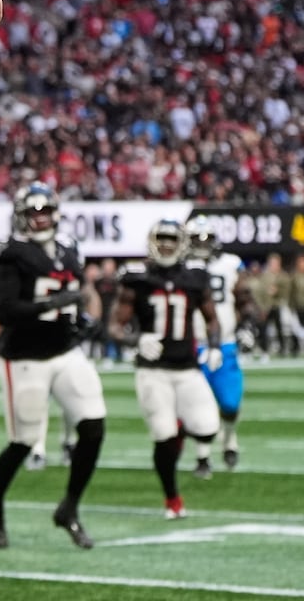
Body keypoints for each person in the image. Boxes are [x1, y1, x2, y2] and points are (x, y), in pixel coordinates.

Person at [0, 183, 105, 550]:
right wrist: (51, 306)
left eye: (45, 212)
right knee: (22, 442)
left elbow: (74, 295)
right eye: (33, 213)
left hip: (65, 351)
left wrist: (79, 318)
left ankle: (69, 507)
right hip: (24, 358)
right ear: (21, 216)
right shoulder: (12, 254)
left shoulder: (68, 248)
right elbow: (4, 311)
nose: (40, 219)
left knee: (94, 426)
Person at [112, 219, 221, 520]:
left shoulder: (196, 278)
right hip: (153, 370)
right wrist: (137, 339)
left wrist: (213, 346)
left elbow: (212, 318)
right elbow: (114, 326)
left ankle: (181, 429)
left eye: (172, 239)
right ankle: (172, 498)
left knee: (209, 429)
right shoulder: (138, 279)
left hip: (187, 369)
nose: (167, 245)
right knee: (163, 435)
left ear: (183, 243)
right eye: (161, 239)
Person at [185, 216, 245, 474]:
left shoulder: (230, 264)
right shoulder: (181, 267)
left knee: (230, 404)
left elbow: (244, 299)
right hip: (194, 345)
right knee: (199, 404)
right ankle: (202, 456)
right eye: (196, 239)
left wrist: (246, 327)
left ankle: (229, 437)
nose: (201, 244)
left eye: (206, 239)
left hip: (226, 345)